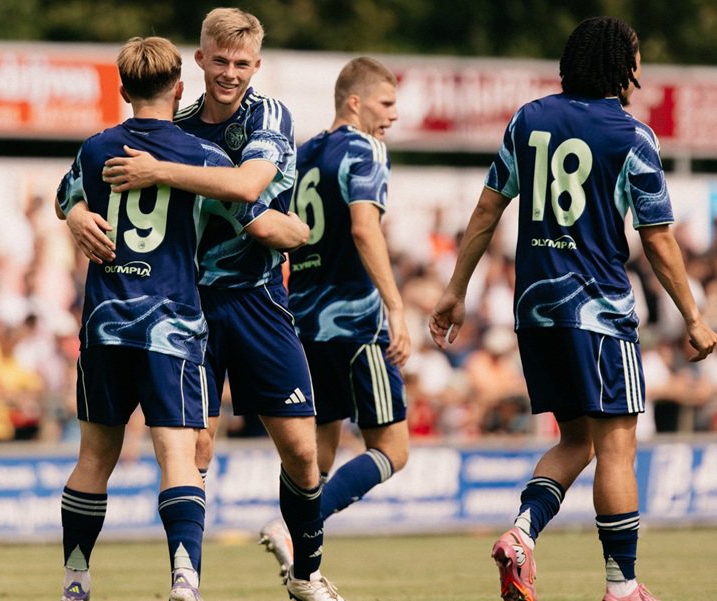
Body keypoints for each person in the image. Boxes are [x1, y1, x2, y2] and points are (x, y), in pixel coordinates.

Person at [428, 16, 717, 601]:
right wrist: (693, 316)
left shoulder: (527, 120)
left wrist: (456, 290)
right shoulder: (632, 136)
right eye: (636, 58)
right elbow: (658, 238)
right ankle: (622, 586)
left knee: (577, 441)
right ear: (622, 66)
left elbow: (486, 211)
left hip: (535, 311)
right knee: (617, 448)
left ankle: (521, 533)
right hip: (600, 312)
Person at [92, 8, 344, 601]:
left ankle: (306, 575)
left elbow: (249, 184)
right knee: (195, 449)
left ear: (257, 66)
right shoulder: (173, 125)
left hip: (259, 300)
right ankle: (187, 583)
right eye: (221, 61)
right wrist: (76, 215)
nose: (230, 73)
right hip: (188, 304)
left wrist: (162, 172)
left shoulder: (267, 115)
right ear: (200, 60)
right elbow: (89, 175)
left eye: (242, 64)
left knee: (302, 452)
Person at [54, 36, 236, 601]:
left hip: (105, 321)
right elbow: (247, 207)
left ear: (122, 89)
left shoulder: (95, 149)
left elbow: (63, 197)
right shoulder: (203, 156)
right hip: (171, 323)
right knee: (177, 454)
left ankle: (76, 579)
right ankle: (185, 578)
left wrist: (74, 214)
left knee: (94, 457)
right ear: (179, 89)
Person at [259, 56, 412, 580]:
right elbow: (365, 228)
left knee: (318, 447)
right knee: (392, 449)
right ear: (355, 102)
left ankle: (304, 570)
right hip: (355, 320)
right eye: (386, 103)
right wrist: (396, 307)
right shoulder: (366, 149)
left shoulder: (301, 156)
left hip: (304, 319)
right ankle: (295, 529)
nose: (393, 114)